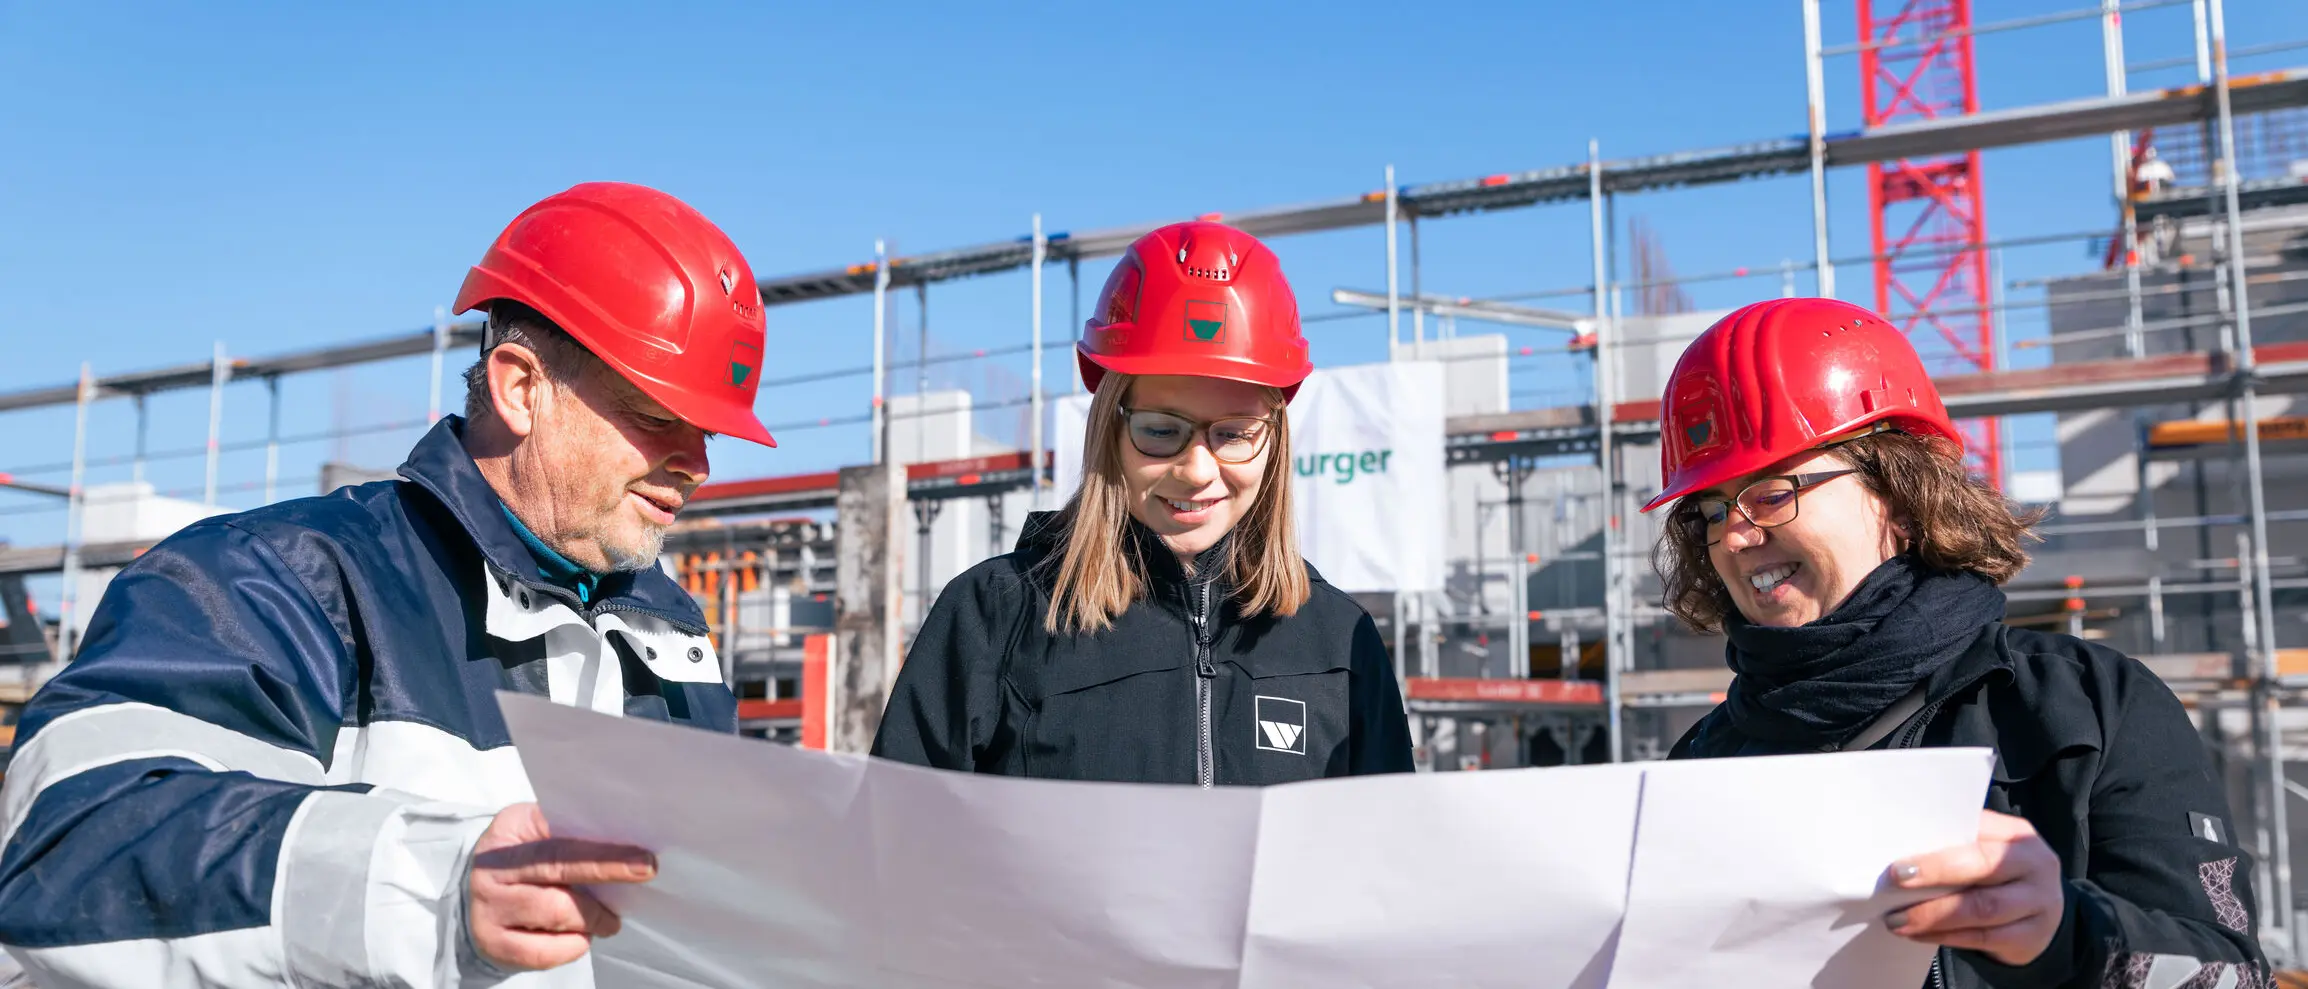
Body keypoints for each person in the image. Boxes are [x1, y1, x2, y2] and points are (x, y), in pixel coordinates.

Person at [0, 181, 778, 987]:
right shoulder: (276, 581)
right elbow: (72, 842)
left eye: (709, 429)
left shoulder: (672, 639)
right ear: (521, 388)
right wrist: (436, 891)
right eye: (657, 414)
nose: (698, 463)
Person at [1645, 297, 2269, 988]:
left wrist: (2068, 933)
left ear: (1901, 491)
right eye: (1711, 508)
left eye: (1772, 492)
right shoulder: (1705, 762)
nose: (1733, 535)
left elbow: (2234, 976)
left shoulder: (2091, 707)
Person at [872, 221, 1413, 784]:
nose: (1197, 471)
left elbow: (1388, 860)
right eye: (1160, 431)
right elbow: (894, 847)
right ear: (1109, 429)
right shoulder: (994, 618)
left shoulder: (1339, 641)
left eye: (1233, 433)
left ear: (1272, 439)